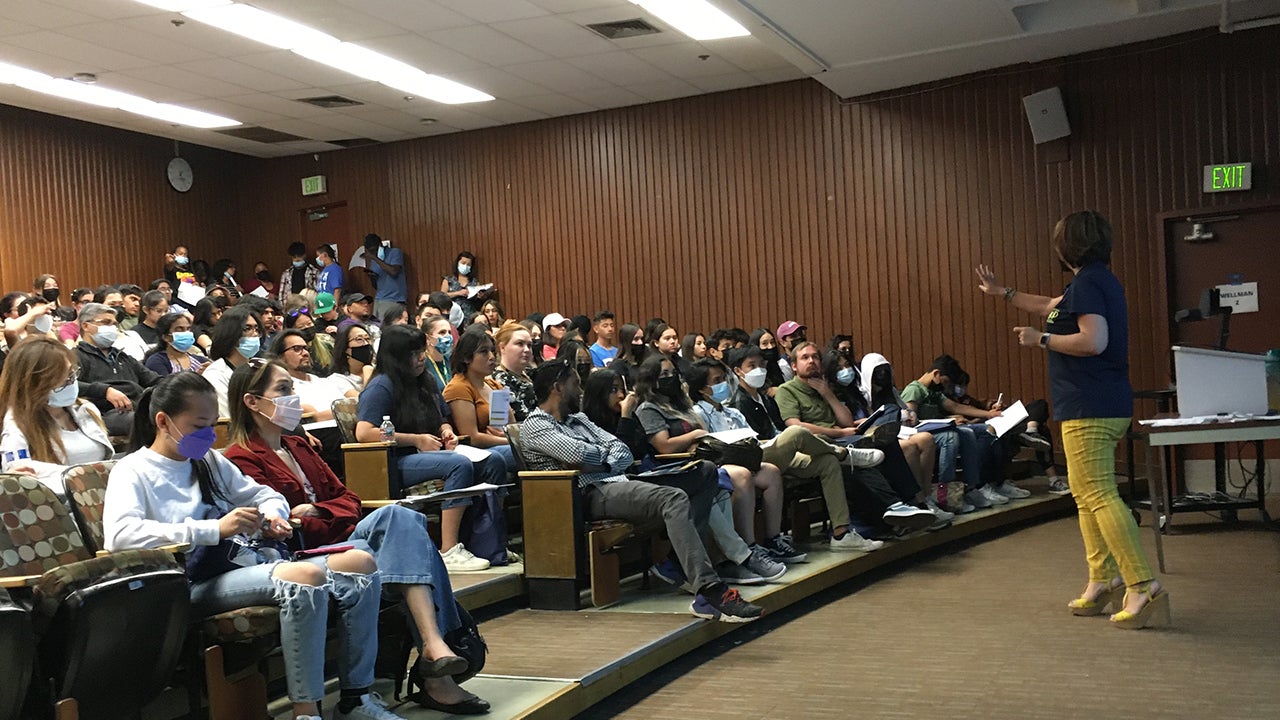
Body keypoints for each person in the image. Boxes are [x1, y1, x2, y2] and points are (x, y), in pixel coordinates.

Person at [102, 372, 405, 720]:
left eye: (212, 424)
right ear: (162, 421)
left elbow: (264, 493)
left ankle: (355, 697)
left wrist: (274, 515)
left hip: (239, 563)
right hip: (191, 581)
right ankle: (306, 711)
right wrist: (213, 529)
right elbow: (120, 536)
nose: (207, 434)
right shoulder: (133, 470)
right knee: (303, 577)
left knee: (361, 562)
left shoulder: (208, 460)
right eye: (199, 425)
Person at [221, 360, 490, 714]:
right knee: (406, 548)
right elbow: (284, 526)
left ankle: (433, 645)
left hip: (340, 538)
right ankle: (434, 665)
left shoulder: (299, 446)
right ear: (252, 402)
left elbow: (349, 499)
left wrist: (320, 512)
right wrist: (325, 516)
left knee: (401, 517)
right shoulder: (240, 458)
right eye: (283, 390)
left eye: (292, 388)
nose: (293, 397)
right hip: (301, 554)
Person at [976, 210, 1167, 628]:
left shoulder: (1090, 283)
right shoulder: (1093, 281)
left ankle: (1141, 585)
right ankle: (1102, 578)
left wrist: (1039, 339)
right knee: (1086, 496)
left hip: (1090, 404)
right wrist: (1002, 292)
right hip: (1095, 403)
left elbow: (1092, 341)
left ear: (1068, 245)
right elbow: (1047, 305)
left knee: (1098, 495)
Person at [519, 360, 765, 622]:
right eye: (574, 384)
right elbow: (577, 453)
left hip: (621, 480)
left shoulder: (578, 419)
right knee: (673, 498)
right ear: (557, 387)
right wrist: (599, 458)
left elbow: (621, 450)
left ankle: (676, 563)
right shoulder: (536, 425)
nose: (580, 389)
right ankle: (710, 592)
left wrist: (599, 460)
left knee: (704, 472)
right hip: (589, 493)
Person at [355, 325, 506, 573]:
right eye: (414, 353)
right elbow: (364, 433)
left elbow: (442, 419)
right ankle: (449, 549)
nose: (421, 358)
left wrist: (446, 431)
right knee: (459, 464)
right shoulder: (381, 386)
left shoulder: (425, 381)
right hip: (396, 461)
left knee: (493, 461)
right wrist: (414, 439)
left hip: (430, 454)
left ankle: (488, 542)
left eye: (422, 351)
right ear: (397, 356)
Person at [725, 347, 886, 551]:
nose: (759, 370)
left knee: (827, 463)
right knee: (796, 432)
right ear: (739, 371)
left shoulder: (765, 398)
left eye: (761, 365)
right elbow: (749, 442)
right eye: (752, 366)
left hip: (782, 454)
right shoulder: (739, 402)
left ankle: (841, 534)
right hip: (759, 457)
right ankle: (844, 453)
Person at [774, 342, 937, 535]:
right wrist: (840, 433)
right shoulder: (787, 390)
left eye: (815, 357)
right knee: (862, 451)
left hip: (845, 438)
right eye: (805, 358)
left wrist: (827, 394)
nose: (812, 361)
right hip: (819, 444)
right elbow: (795, 426)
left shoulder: (823, 387)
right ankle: (897, 506)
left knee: (888, 439)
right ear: (793, 366)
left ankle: (914, 504)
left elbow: (846, 420)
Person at [901, 354, 1022, 507]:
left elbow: (956, 407)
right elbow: (910, 422)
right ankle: (945, 491)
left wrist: (989, 414)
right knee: (951, 437)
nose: (945, 387)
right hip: (923, 435)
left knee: (976, 431)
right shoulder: (914, 390)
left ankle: (973, 487)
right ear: (936, 374)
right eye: (945, 382)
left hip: (938, 429)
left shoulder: (934, 393)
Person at [0, 335, 114, 495]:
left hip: (104, 498)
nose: (71, 382)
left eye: (71, 374)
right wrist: (88, 477)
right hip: (63, 509)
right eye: (61, 380)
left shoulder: (85, 409)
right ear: (33, 384)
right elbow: (19, 472)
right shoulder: (17, 422)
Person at [75, 302, 163, 436]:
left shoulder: (122, 356)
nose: (112, 328)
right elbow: (66, 385)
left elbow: (154, 380)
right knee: (142, 420)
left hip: (137, 407)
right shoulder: (75, 356)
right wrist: (104, 390)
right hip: (103, 414)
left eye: (114, 324)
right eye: (106, 322)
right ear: (86, 326)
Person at [444, 329, 516, 473]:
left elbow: (511, 426)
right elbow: (471, 437)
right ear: (466, 358)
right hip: (474, 452)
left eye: (492, 351)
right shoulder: (458, 387)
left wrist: (511, 437)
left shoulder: (495, 385)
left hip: (501, 444)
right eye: (484, 352)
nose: (491, 357)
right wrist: (511, 441)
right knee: (524, 452)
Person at [203, 306, 265, 418]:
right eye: (247, 329)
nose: (255, 334)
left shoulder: (261, 365)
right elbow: (228, 417)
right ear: (231, 333)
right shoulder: (215, 374)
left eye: (256, 329)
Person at [491, 320, 537, 422]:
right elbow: (499, 423)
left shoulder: (533, 374)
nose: (526, 349)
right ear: (502, 347)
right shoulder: (496, 381)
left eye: (529, 345)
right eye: (520, 344)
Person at [144, 313, 208, 376]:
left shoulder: (201, 361)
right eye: (180, 329)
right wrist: (197, 377)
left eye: (188, 329)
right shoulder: (156, 361)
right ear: (166, 337)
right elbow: (165, 385)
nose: (186, 333)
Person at [364, 234, 407, 319]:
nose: (373, 253)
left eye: (374, 250)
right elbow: (376, 285)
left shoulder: (394, 252)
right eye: (370, 251)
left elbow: (394, 272)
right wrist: (372, 277)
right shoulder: (373, 261)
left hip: (394, 298)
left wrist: (375, 258)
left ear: (380, 245)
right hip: (379, 298)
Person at [441, 251, 490, 321]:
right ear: (457, 263)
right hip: (453, 316)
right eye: (463, 263)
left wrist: (480, 296)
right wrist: (458, 293)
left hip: (470, 315)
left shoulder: (474, 282)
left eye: (468, 265)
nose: (465, 266)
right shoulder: (448, 280)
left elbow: (479, 299)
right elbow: (442, 296)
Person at [331, 323, 375, 390]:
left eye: (368, 339)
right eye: (359, 339)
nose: (366, 343)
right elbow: (367, 400)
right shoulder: (337, 379)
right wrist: (368, 375)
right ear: (345, 347)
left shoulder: (377, 369)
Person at [421, 316, 454, 389]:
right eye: (442, 332)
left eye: (449, 332)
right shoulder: (422, 363)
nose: (448, 336)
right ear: (428, 338)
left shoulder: (451, 361)